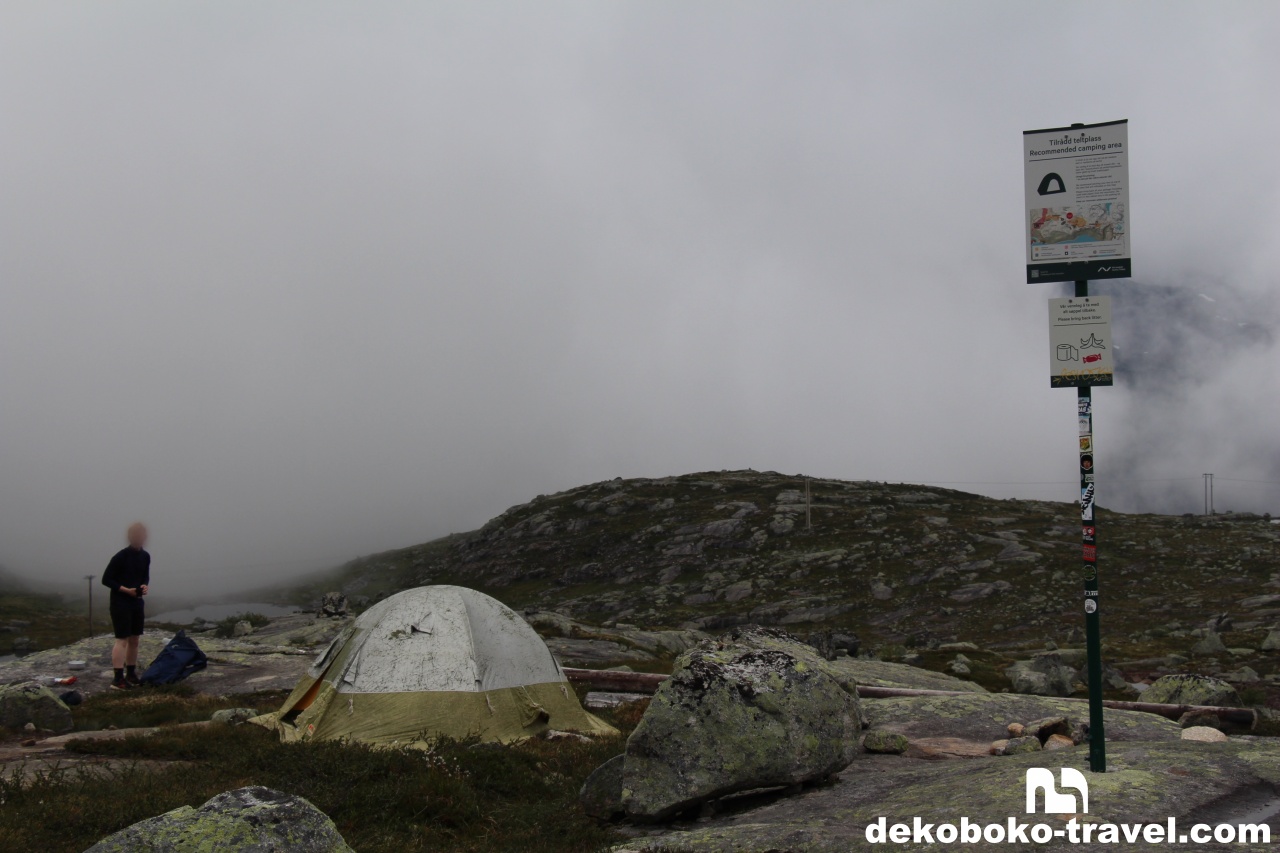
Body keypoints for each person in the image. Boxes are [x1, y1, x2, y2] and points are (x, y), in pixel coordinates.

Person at [102, 522, 151, 690]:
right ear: (131, 537)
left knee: (135, 639)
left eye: (142, 536)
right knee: (122, 639)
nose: (141, 538)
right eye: (137, 536)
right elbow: (106, 579)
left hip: (136, 602)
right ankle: (118, 678)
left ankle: (131, 673)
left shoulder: (145, 556)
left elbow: (145, 577)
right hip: (120, 602)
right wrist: (125, 590)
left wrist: (144, 586)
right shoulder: (121, 556)